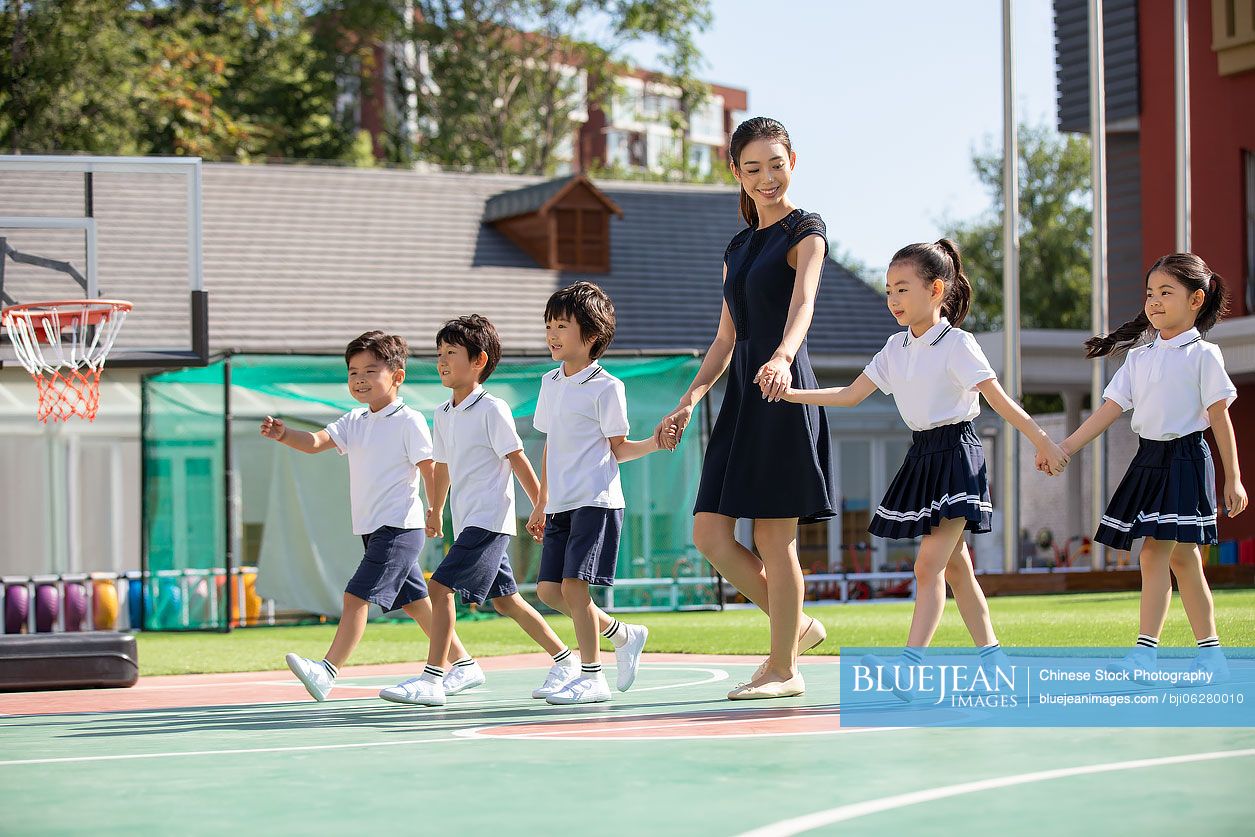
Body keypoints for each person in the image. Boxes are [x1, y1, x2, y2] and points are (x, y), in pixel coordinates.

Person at [781, 239, 1068, 698]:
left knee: (927, 566)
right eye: (888, 290)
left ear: (936, 290)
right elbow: (851, 395)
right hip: (922, 457)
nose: (892, 300)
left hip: (957, 455)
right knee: (956, 570)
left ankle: (910, 668)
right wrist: (791, 395)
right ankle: (996, 663)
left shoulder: (958, 344)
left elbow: (999, 401)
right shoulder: (894, 348)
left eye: (902, 289)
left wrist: (1043, 441)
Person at [654, 117, 833, 700]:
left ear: (793, 161)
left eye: (776, 164)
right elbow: (724, 340)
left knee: (774, 540)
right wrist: (689, 399)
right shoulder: (736, 248)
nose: (766, 178)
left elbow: (803, 301)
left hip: (782, 393)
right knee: (709, 534)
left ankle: (783, 667)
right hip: (739, 402)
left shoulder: (807, 231)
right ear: (736, 172)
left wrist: (783, 357)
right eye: (752, 168)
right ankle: (797, 628)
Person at [1050, 253, 1246, 682]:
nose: (1154, 302)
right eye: (1150, 293)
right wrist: (1064, 447)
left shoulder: (1204, 355)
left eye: (1166, 293)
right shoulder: (1138, 359)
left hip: (1187, 459)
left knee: (1160, 553)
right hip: (1148, 460)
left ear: (1196, 299)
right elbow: (1107, 411)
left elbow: (1220, 417)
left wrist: (1233, 477)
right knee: (1182, 560)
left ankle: (1148, 654)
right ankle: (1209, 655)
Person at [378, 315, 581, 706]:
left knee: (439, 587)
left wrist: (543, 505)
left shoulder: (493, 409)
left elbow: (518, 459)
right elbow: (444, 465)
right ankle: (565, 659)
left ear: (479, 360)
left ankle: (435, 677)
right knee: (506, 601)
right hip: (468, 520)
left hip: (490, 522)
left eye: (451, 353)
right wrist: (435, 508)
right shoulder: (442, 412)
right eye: (439, 354)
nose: (442, 361)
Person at [261, 330, 474, 701]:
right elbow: (315, 443)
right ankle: (464, 664)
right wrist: (284, 435)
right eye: (353, 372)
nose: (359, 379)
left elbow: (431, 468)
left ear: (397, 375)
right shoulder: (354, 421)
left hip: (399, 528)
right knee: (416, 603)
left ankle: (327, 671)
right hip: (373, 529)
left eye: (370, 371)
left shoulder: (408, 421)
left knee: (355, 597)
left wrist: (435, 509)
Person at [526, 282, 666, 704]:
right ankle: (622, 634)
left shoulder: (608, 387)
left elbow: (618, 448)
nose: (552, 333)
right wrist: (541, 501)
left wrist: (656, 443)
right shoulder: (550, 382)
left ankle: (592, 676)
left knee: (574, 588)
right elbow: (551, 445)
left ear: (590, 335)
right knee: (551, 591)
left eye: (562, 325)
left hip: (596, 501)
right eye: (549, 324)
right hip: (561, 504)